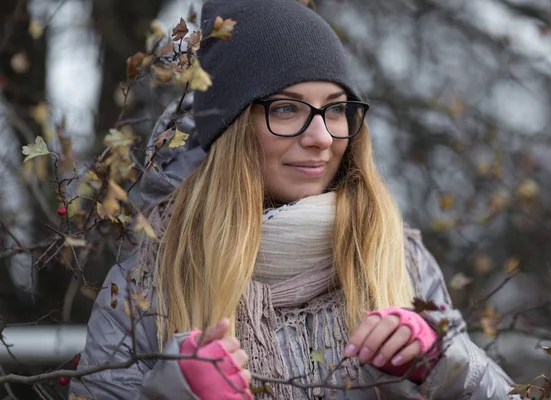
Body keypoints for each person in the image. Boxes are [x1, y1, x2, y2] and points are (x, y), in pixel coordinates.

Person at [70, 0, 519, 399]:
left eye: (336, 108)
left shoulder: (397, 257)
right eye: (287, 109)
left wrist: (446, 365)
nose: (322, 138)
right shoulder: (152, 277)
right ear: (232, 127)